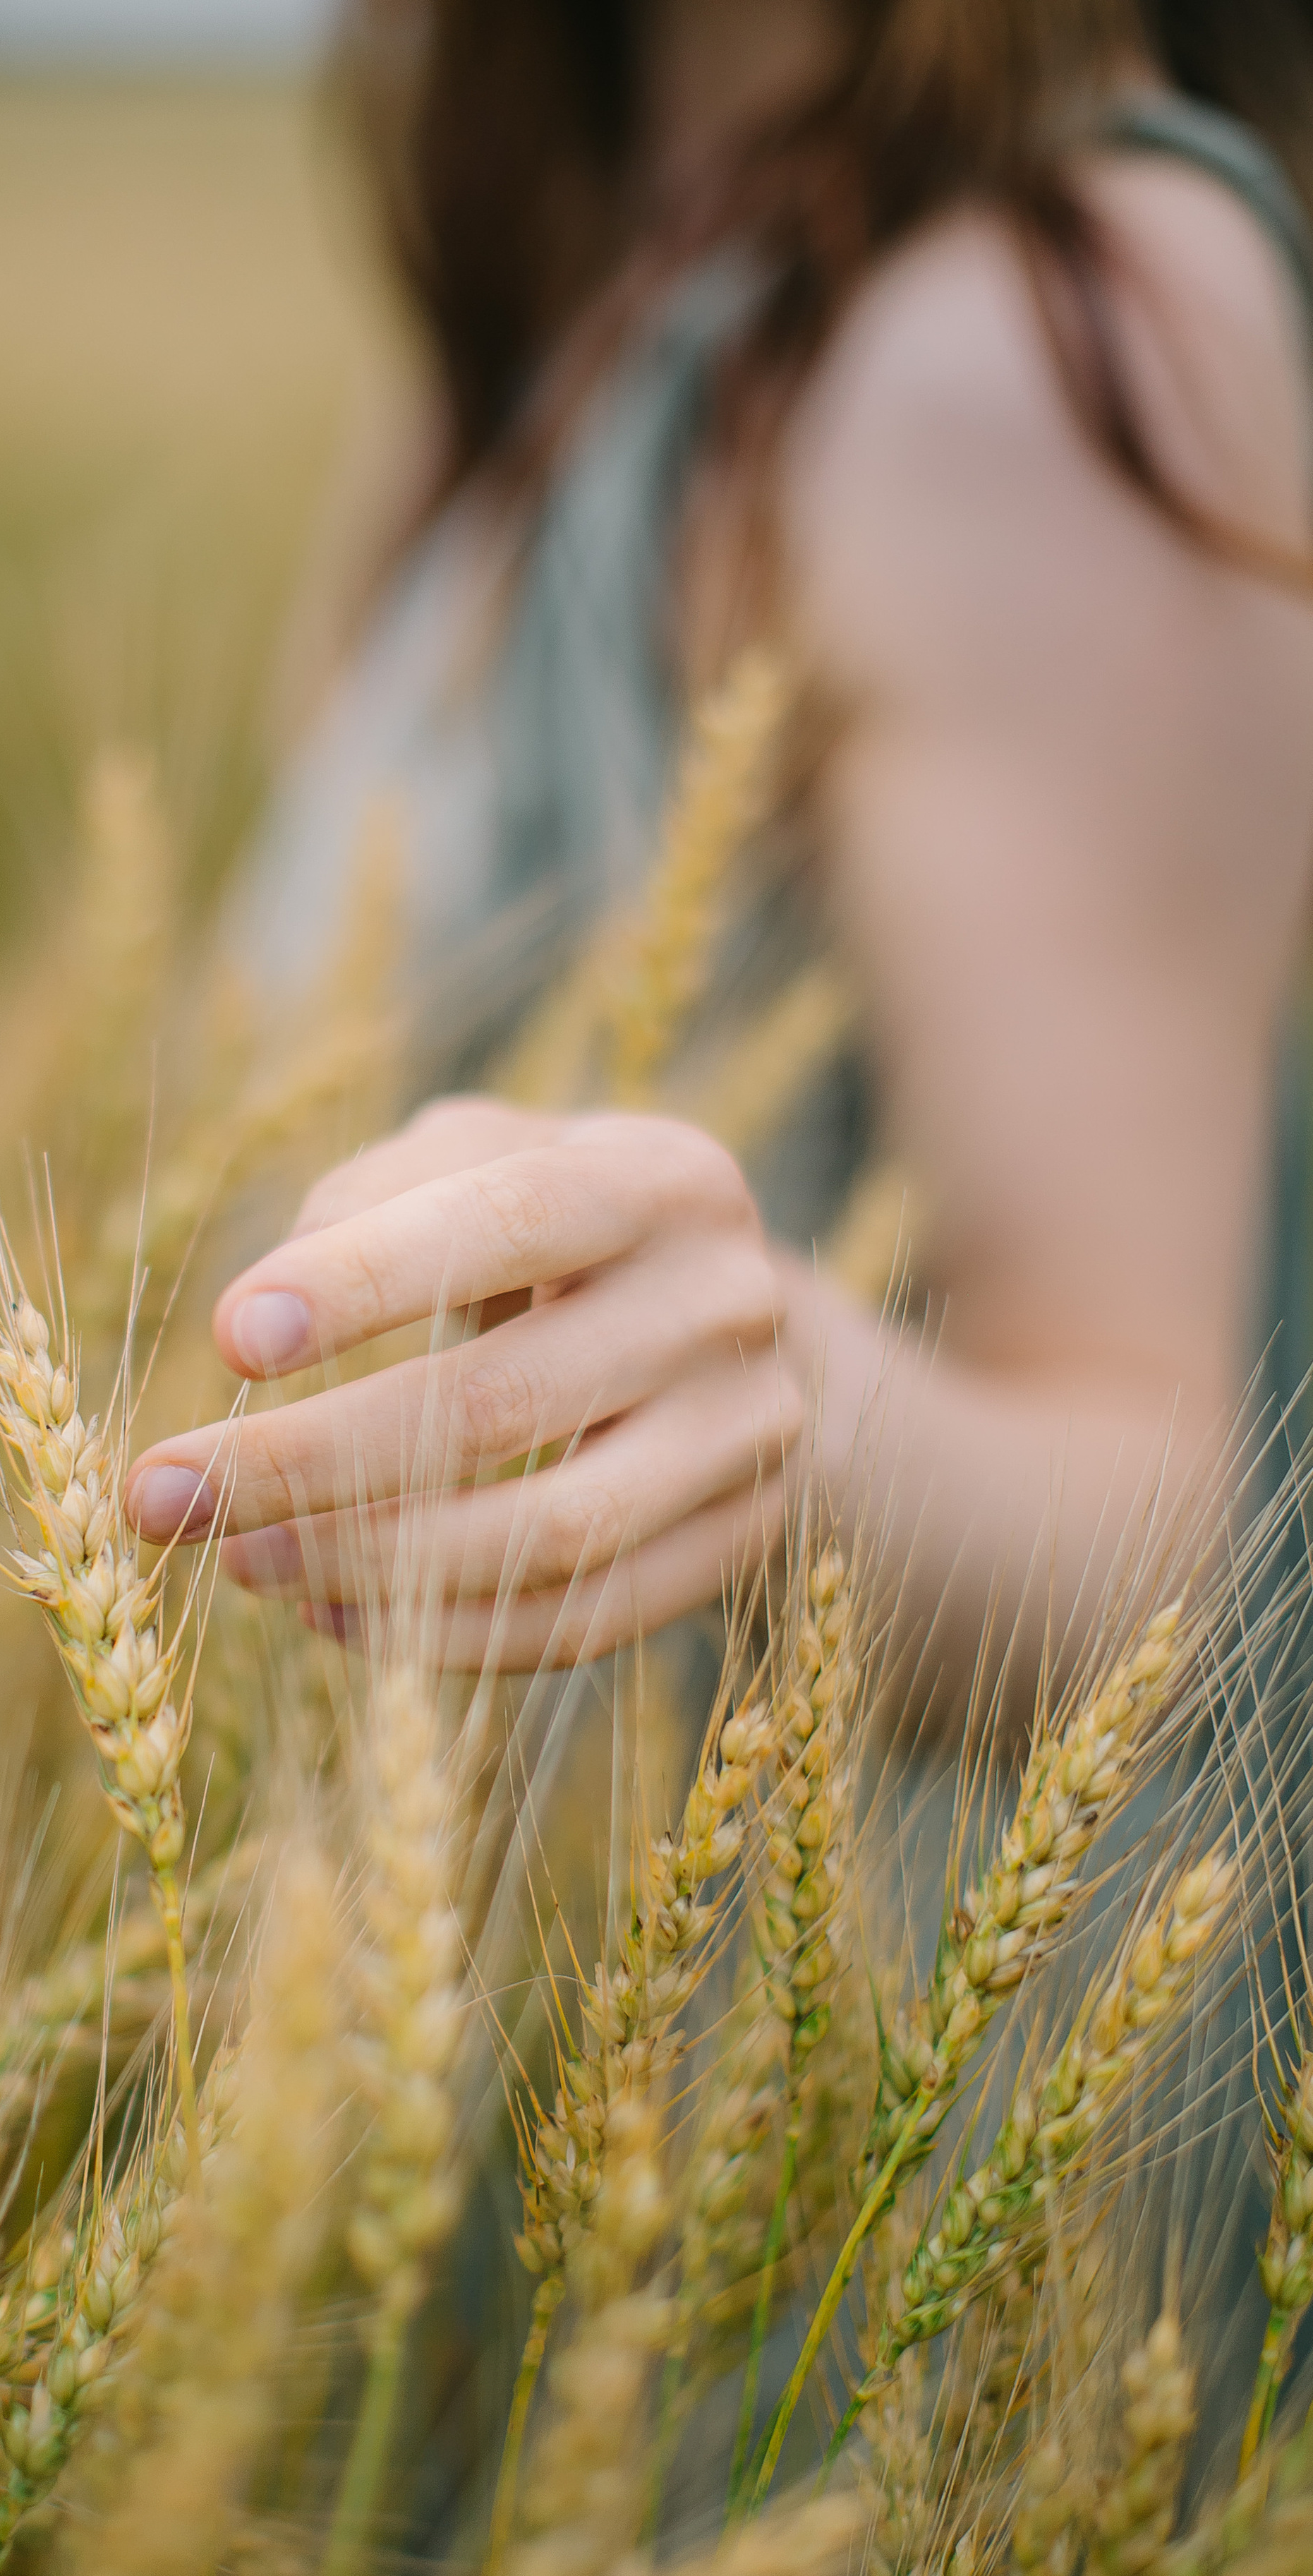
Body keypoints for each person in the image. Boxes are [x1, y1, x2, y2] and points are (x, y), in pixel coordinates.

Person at [126, 0, 1313, 1712]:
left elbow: (1156, 1533)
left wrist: (784, 1418)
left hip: (792, 1952)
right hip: (427, 1916)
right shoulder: (560, 250)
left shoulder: (1044, 324)